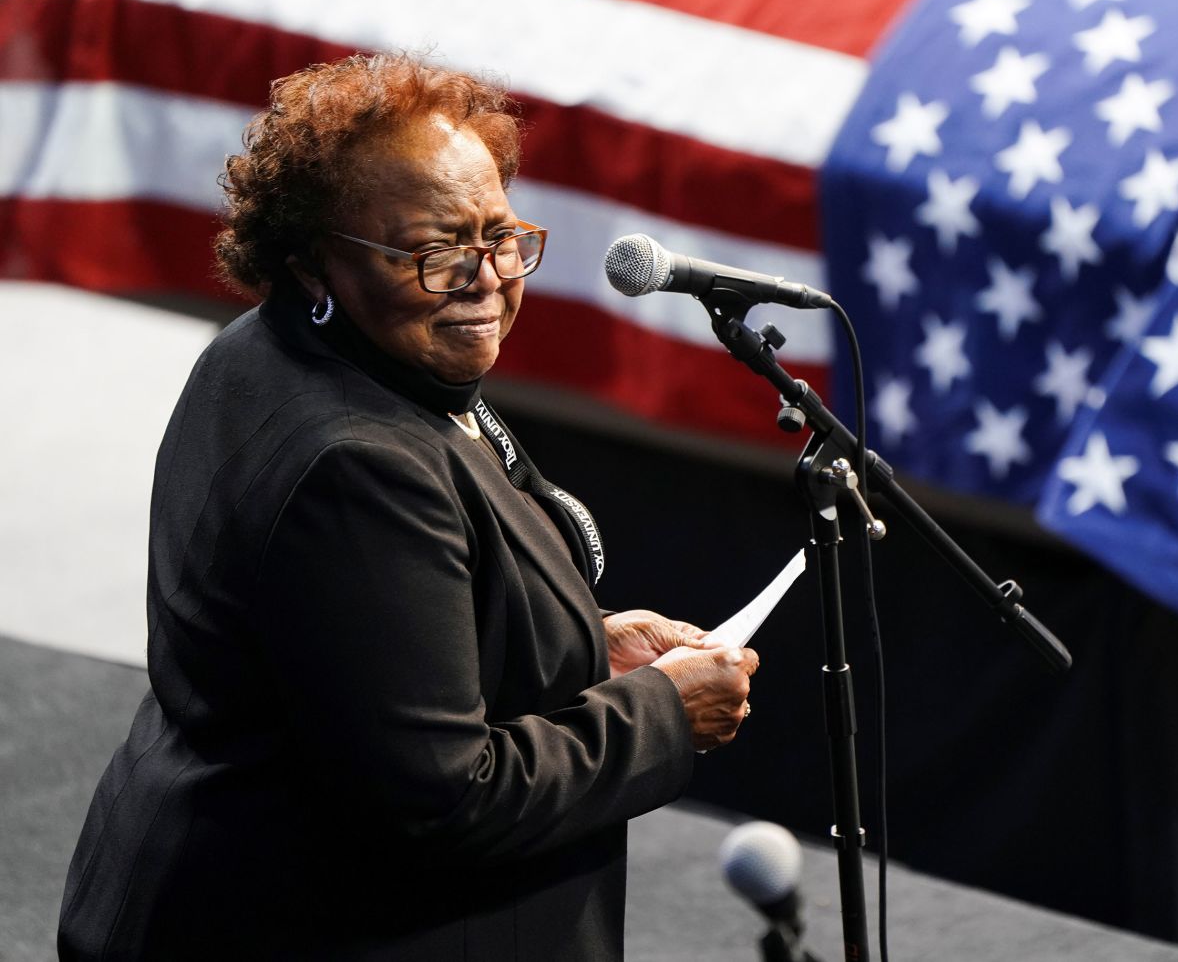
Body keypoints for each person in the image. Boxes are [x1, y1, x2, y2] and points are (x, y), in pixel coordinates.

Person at [57, 52, 759, 960]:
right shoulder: (358, 465)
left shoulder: (288, 350)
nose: (485, 278)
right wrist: (662, 714)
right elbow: (446, 798)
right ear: (313, 264)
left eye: (502, 236)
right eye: (432, 251)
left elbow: (369, 643)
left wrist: (591, 643)